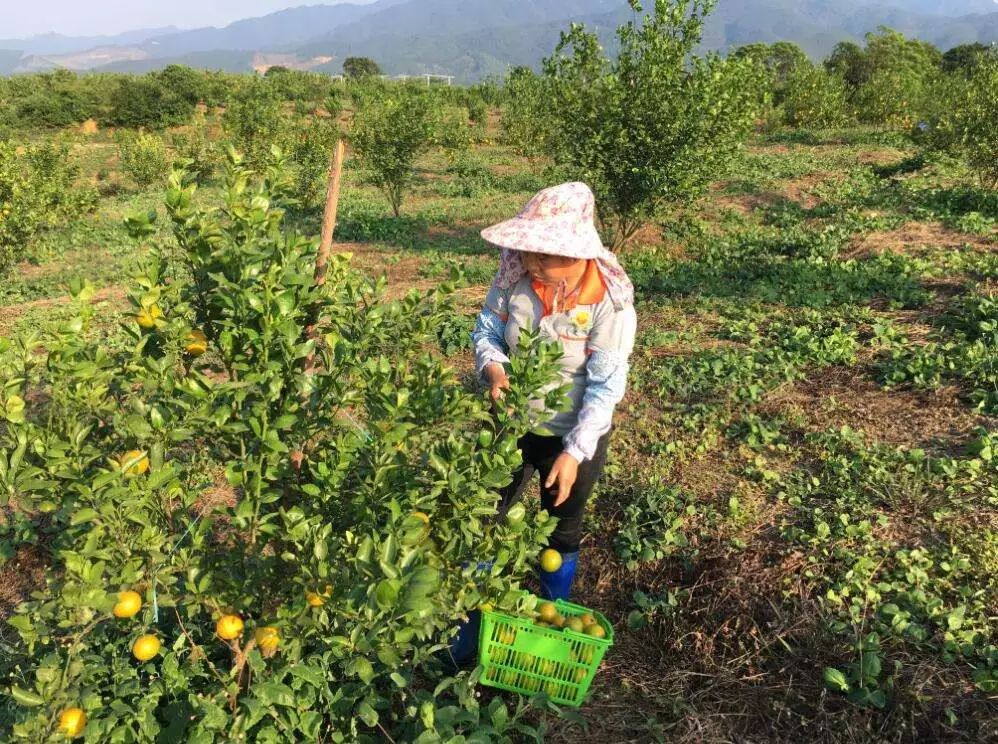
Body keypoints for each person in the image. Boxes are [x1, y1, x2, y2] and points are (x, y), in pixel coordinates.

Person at [474, 181, 637, 600]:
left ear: (577, 253)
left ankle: (551, 611)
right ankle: (466, 613)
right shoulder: (515, 279)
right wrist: (495, 372)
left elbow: (604, 386)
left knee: (561, 528)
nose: (530, 261)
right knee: (481, 514)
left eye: (542, 254)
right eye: (527, 251)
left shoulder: (608, 303)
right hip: (510, 425)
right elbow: (488, 330)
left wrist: (574, 452)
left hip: (570, 434)